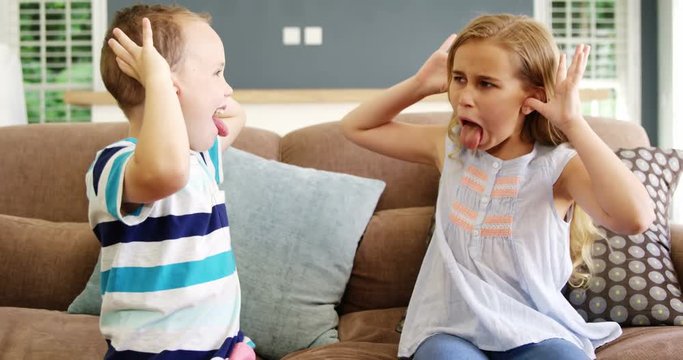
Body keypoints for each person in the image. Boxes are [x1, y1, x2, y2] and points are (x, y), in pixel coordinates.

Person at [341, 14, 654, 360]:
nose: (464, 97)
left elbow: (635, 218)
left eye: (486, 84)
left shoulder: (558, 168)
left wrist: (573, 123)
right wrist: (419, 83)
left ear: (531, 98)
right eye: (459, 79)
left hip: (534, 329)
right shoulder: (449, 148)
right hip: (450, 328)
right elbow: (356, 128)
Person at [86, 4, 255, 360]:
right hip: (154, 353)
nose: (228, 88)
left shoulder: (200, 159)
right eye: (217, 73)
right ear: (163, 87)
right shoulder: (117, 163)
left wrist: (202, 102)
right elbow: (168, 171)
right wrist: (159, 81)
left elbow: (237, 114)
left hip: (219, 347)